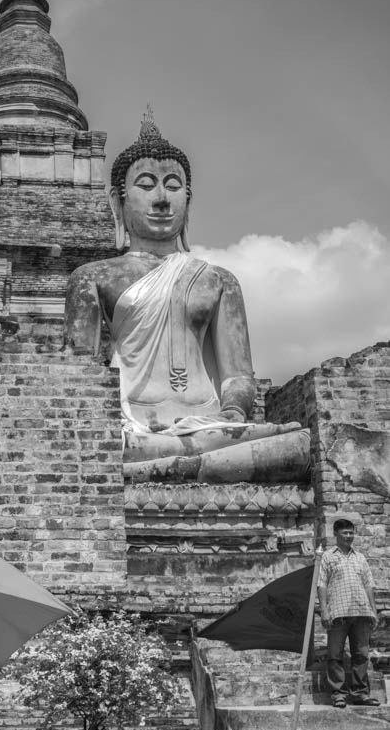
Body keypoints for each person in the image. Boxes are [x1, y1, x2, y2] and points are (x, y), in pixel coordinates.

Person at [63, 111, 310, 484]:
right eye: (146, 185)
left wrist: (232, 412)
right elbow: (79, 377)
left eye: (173, 186)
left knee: (299, 445)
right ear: (117, 201)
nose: (162, 199)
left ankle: (174, 466)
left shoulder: (219, 281)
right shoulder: (93, 277)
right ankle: (187, 466)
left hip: (208, 426)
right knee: (94, 448)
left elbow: (237, 376)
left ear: (188, 199)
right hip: (132, 428)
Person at [317, 519, 380, 708]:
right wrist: (324, 610)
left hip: (361, 611)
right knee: (335, 655)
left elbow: (369, 585)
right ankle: (338, 694)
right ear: (335, 534)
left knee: (361, 655)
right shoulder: (327, 557)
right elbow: (321, 584)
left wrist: (374, 611)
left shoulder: (360, 557)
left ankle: (360, 694)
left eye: (351, 532)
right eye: (345, 533)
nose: (349, 536)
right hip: (338, 612)